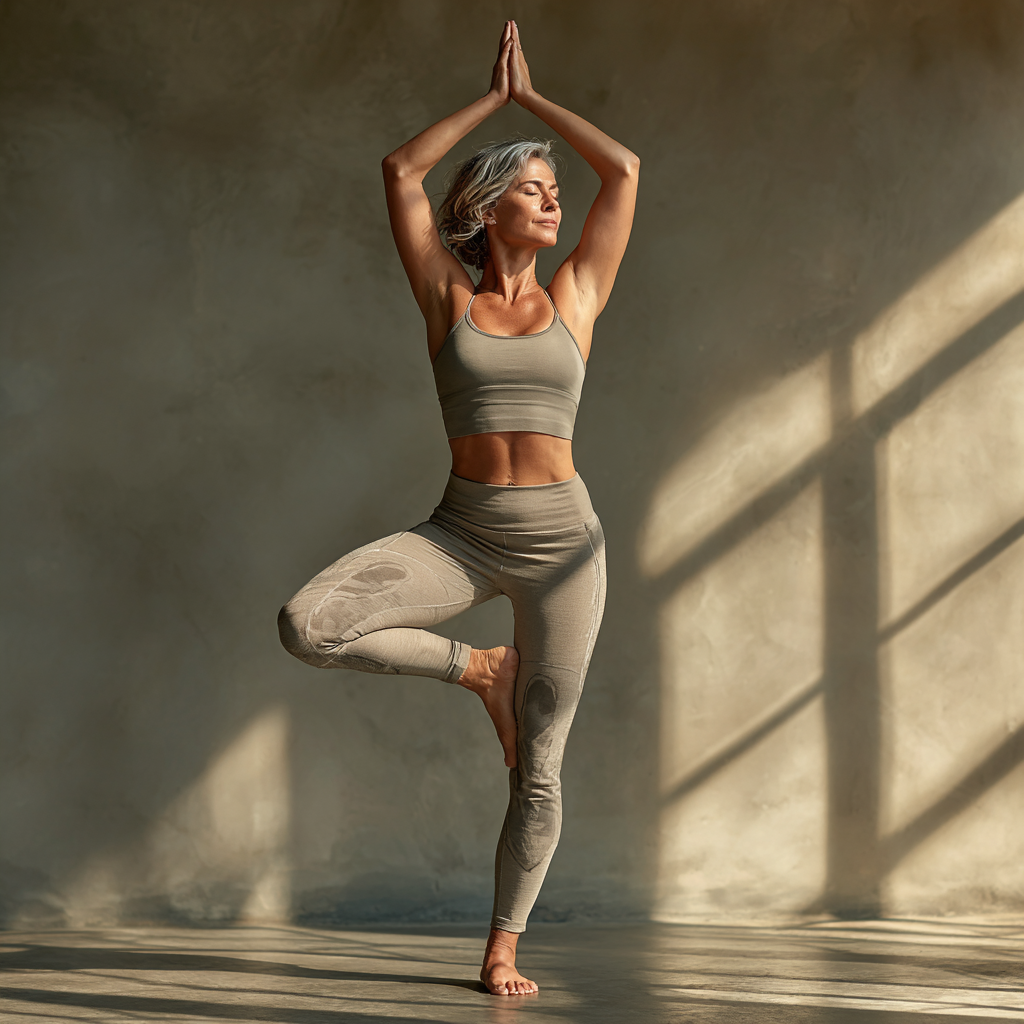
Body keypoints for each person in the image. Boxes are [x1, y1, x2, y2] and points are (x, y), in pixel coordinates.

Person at [278, 19, 639, 996]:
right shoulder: (447, 297)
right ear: (487, 206)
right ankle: (481, 670)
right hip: (462, 533)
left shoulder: (576, 296)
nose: (554, 199)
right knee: (308, 625)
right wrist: (493, 101)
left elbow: (624, 170)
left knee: (541, 763)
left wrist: (537, 101)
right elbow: (400, 171)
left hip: (565, 549)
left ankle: (501, 948)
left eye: (553, 188)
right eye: (534, 187)